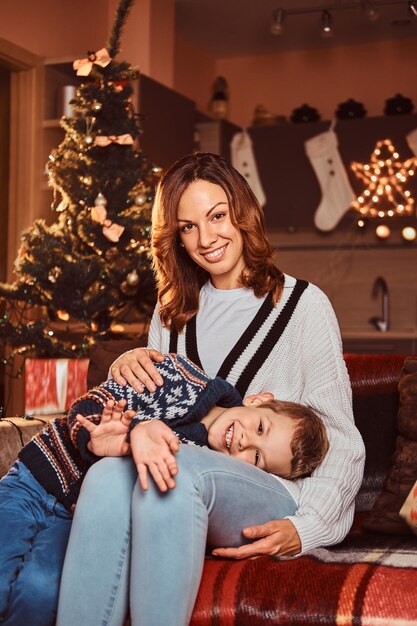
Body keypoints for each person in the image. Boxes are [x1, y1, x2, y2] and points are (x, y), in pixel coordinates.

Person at [57, 152, 365, 626]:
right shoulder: (170, 314)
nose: (207, 239)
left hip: (272, 491)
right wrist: (124, 364)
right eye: (187, 227)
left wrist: (306, 528)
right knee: (106, 478)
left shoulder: (305, 307)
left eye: (217, 216)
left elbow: (341, 437)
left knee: (175, 473)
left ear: (242, 213)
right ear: (175, 237)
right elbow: (150, 410)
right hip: (185, 478)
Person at [0, 351, 327, 626]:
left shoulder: (197, 468)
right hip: (33, 482)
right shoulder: (177, 373)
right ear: (259, 400)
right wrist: (120, 434)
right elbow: (89, 406)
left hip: (71, 520)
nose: (245, 441)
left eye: (256, 457)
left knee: (40, 591)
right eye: (260, 427)